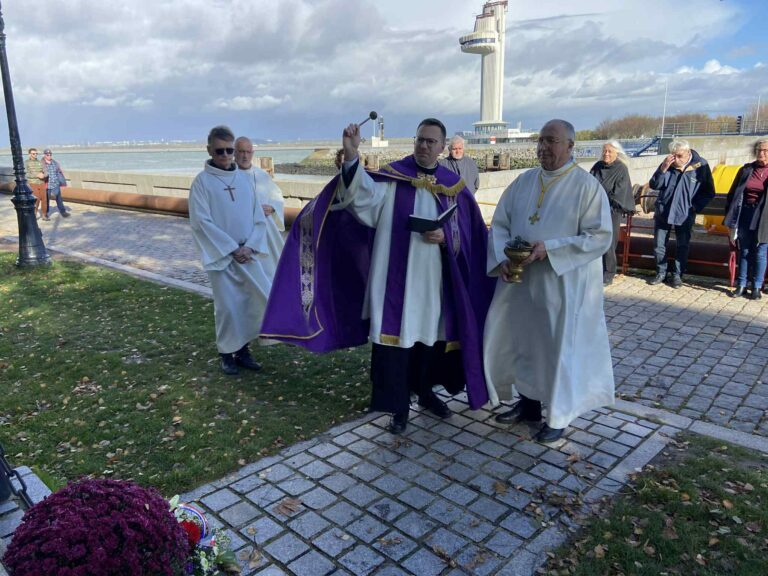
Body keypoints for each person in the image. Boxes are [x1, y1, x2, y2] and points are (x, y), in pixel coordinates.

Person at [261, 118, 494, 434]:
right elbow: (360, 197)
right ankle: (397, 407)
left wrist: (446, 237)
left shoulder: (454, 187)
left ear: (441, 147)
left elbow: (470, 236)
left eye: (430, 141)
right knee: (394, 346)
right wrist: (352, 155)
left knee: (430, 342)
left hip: (433, 285)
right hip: (393, 283)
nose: (424, 146)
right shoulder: (393, 178)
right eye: (419, 140)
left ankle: (426, 394)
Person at [483, 119, 614, 443]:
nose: (543, 147)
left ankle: (557, 414)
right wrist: (502, 257)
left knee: (556, 349)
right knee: (525, 344)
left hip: (562, 287)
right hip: (522, 284)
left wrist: (550, 249)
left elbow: (600, 236)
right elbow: (500, 223)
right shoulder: (524, 181)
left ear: (570, 146)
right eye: (541, 140)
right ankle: (527, 405)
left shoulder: (586, 187)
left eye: (551, 141)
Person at [188, 125, 271, 376]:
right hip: (222, 257)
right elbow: (202, 222)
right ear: (209, 150)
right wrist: (231, 248)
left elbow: (258, 216)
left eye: (229, 150)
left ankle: (243, 350)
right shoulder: (201, 183)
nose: (225, 156)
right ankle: (226, 353)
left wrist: (251, 246)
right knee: (227, 308)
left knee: (247, 304)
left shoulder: (244, 180)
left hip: (247, 254)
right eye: (219, 151)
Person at [647, 139, 715, 288]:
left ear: (688, 153)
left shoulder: (701, 165)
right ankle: (661, 272)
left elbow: (709, 191)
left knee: (682, 245)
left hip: (685, 212)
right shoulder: (668, 163)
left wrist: (695, 207)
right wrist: (663, 168)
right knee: (659, 244)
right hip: (664, 210)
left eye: (679, 156)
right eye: (673, 155)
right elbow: (654, 184)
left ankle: (678, 275)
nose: (676, 159)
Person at [234, 136, 286, 279]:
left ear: (252, 153)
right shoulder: (229, 176)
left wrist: (273, 208)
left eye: (248, 152)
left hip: (266, 232)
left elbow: (277, 197)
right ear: (234, 152)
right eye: (241, 151)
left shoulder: (262, 175)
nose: (245, 156)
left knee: (271, 272)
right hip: (242, 232)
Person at [723, 138, 768, 300]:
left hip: (764, 217)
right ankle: (741, 284)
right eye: (759, 150)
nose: (761, 153)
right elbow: (733, 194)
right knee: (745, 250)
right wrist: (729, 218)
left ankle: (756, 286)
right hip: (745, 213)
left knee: (761, 252)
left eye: (765, 150)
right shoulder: (746, 169)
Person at [590, 141, 635, 285]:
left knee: (609, 242)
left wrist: (602, 196)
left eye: (610, 151)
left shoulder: (621, 168)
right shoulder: (597, 166)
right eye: (604, 151)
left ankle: (609, 272)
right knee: (592, 239)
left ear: (617, 153)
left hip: (611, 210)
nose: (606, 154)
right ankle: (594, 270)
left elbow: (620, 192)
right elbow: (589, 183)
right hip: (595, 209)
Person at [40, 149, 70, 221]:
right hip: (47, 184)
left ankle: (63, 212)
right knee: (46, 200)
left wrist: (61, 180)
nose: (49, 156)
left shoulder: (54, 163)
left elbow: (59, 172)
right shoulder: (41, 163)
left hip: (56, 183)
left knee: (59, 199)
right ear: (44, 155)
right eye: (47, 155)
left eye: (50, 154)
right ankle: (45, 213)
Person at [24, 148, 45, 218]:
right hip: (33, 183)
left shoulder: (40, 162)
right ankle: (34, 213)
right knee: (36, 199)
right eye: (33, 154)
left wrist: (43, 175)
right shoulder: (26, 162)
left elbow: (44, 171)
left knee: (44, 199)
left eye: (36, 153)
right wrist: (36, 175)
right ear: (29, 154)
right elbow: (26, 174)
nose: (35, 155)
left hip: (42, 182)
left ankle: (44, 214)